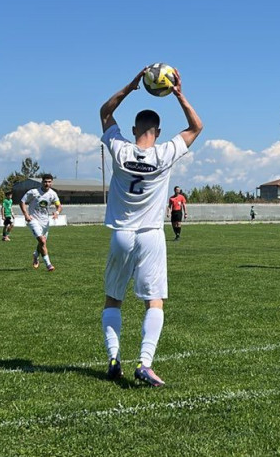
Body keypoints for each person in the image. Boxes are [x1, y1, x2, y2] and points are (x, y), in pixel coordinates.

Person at [98, 66, 203, 387]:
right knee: (153, 302)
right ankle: (144, 363)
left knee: (113, 300)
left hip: (121, 234)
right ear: (157, 131)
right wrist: (179, 94)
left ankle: (114, 357)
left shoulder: (120, 150)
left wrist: (132, 85)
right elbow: (196, 127)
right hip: (151, 237)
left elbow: (104, 112)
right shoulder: (165, 153)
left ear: (134, 129)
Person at [21, 174, 61, 271]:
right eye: (45, 181)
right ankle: (49, 265)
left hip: (45, 222)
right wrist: (26, 214)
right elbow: (22, 201)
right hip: (33, 220)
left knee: (42, 242)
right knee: (42, 241)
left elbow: (59, 206)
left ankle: (35, 255)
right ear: (41, 182)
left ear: (52, 182)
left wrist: (57, 212)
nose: (47, 183)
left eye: (49, 182)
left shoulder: (53, 194)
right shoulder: (34, 192)